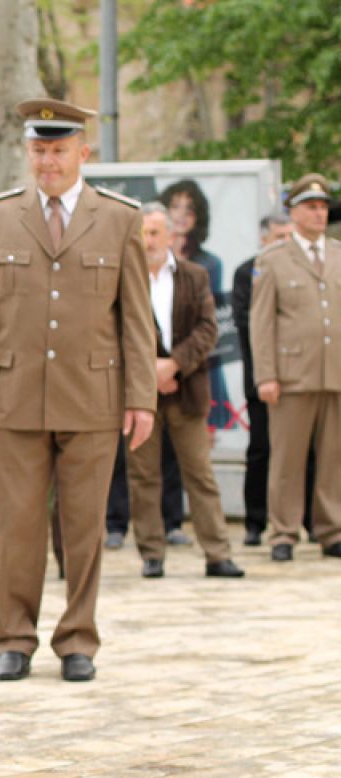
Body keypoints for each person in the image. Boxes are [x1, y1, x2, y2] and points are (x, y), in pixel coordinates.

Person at [0, 98, 155, 684]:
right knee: (16, 528)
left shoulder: (119, 218)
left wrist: (141, 398)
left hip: (95, 397)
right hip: (14, 395)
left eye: (59, 150)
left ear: (82, 153)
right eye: (39, 150)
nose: (48, 161)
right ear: (28, 153)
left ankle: (77, 640)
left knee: (85, 527)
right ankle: (13, 638)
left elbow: (137, 320)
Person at [127, 202, 242, 579]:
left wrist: (173, 364)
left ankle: (217, 553)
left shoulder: (194, 276)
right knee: (144, 477)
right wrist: (151, 371)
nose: (149, 240)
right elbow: (116, 334)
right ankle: (152, 553)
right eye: (143, 233)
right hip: (140, 395)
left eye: (156, 232)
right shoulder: (124, 277)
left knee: (200, 474)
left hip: (186, 390)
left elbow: (208, 330)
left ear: (172, 237)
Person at [250, 174, 341, 562]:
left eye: (323, 207)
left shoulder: (339, 254)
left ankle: (331, 529)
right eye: (311, 207)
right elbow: (261, 321)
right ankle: (283, 532)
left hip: (335, 372)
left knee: (334, 457)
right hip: (292, 375)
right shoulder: (273, 260)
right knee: (287, 458)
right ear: (294, 212)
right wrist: (266, 375)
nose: (319, 213)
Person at [231, 213, 307, 546]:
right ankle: (256, 521)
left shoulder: (305, 267)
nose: (284, 243)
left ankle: (312, 522)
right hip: (263, 377)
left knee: (308, 452)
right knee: (262, 449)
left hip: (300, 377)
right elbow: (250, 327)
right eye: (279, 236)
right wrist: (265, 374)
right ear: (264, 239)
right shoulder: (248, 271)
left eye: (289, 236)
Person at [160, 179, 232, 431]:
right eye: (175, 207)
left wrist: (176, 363)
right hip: (154, 365)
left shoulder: (209, 264)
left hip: (194, 363)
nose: (180, 215)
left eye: (188, 210)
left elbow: (206, 322)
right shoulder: (143, 257)